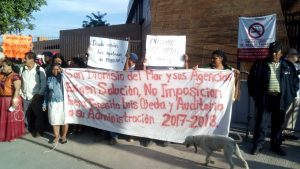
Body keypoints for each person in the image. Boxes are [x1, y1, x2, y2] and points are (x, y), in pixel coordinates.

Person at [248, 41, 299, 156]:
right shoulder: (259, 64)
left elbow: (295, 82)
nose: (274, 54)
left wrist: (290, 96)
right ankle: (258, 145)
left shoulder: (288, 65)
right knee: (261, 123)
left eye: (276, 52)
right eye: (271, 52)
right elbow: (251, 81)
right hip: (264, 99)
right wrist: (255, 96)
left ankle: (275, 145)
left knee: (278, 124)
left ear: (281, 53)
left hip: (280, 100)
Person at [20, 52, 47, 137]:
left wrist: (39, 94)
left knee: (38, 114)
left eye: (26, 58)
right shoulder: (22, 69)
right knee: (26, 114)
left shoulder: (39, 69)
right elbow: (20, 82)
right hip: (25, 96)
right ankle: (28, 128)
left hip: (36, 96)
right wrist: (21, 93)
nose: (24, 60)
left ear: (32, 59)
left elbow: (44, 84)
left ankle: (39, 130)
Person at [0, 59, 25, 141]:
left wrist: (14, 103)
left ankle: (12, 135)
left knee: (11, 118)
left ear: (9, 66)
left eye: (4, 66)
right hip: (2, 100)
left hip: (11, 99)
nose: (2, 68)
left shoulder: (15, 76)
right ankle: (3, 134)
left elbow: (17, 90)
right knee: (3, 118)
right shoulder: (1, 75)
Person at [42, 64, 68, 144]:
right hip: (52, 102)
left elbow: (67, 80)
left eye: (57, 69)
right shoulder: (49, 78)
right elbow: (46, 92)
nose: (55, 71)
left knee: (64, 120)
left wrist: (62, 72)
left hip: (63, 102)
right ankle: (56, 136)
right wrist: (44, 103)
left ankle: (63, 136)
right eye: (54, 69)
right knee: (54, 120)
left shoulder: (63, 78)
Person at [282, 48, 300, 140]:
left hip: (296, 94)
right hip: (289, 93)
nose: (297, 57)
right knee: (285, 112)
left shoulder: (295, 65)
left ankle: (288, 132)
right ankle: (282, 132)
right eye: (296, 55)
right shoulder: (284, 63)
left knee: (293, 114)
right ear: (290, 56)